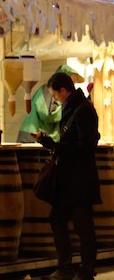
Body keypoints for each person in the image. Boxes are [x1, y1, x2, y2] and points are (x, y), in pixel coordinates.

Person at [35, 71, 99, 280]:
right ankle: (65, 267)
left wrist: (56, 146)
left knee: (83, 226)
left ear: (64, 91)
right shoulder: (72, 108)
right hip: (68, 178)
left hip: (80, 179)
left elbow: (87, 145)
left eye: (54, 95)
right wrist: (51, 143)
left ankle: (86, 270)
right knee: (58, 220)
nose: (54, 99)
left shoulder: (83, 110)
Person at [18, 64, 85, 143]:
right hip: (31, 135)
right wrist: (66, 110)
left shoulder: (80, 107)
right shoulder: (48, 91)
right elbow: (45, 114)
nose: (73, 83)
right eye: (72, 79)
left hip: (38, 136)